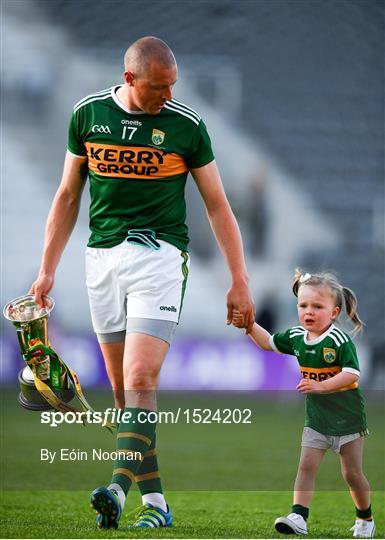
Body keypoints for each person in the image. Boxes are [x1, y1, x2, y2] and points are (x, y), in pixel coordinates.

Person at [29, 36, 255, 529]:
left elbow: (218, 205)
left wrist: (239, 279)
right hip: (101, 261)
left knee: (140, 381)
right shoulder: (87, 115)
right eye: (158, 87)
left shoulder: (186, 126)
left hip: (159, 258)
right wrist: (47, 269)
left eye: (173, 85)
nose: (167, 96)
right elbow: (68, 195)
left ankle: (115, 488)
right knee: (122, 395)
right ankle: (157, 506)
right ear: (130, 78)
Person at [232, 270, 375, 538]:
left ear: (333, 312)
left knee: (352, 474)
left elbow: (352, 374)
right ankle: (299, 516)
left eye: (317, 306)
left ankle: (365, 518)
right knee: (306, 467)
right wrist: (249, 326)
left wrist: (321, 385)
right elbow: (268, 343)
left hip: (348, 419)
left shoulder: (338, 341)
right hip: (317, 420)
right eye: (303, 305)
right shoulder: (297, 336)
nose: (309, 311)